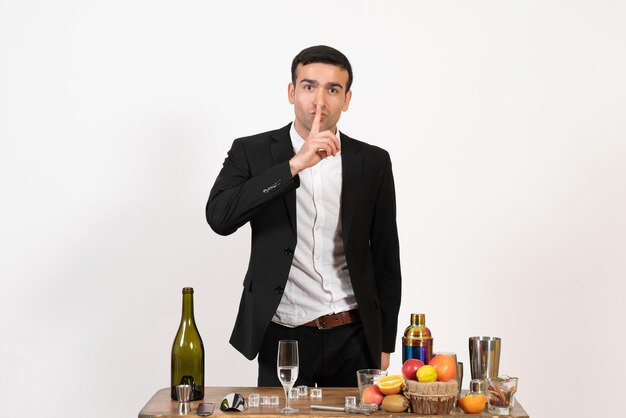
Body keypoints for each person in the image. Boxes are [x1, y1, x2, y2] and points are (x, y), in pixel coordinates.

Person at [206, 45, 401, 387]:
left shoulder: (372, 161)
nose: (320, 100)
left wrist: (384, 342)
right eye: (309, 87)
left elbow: (386, 256)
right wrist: (293, 165)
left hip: (353, 335)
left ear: (347, 98)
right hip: (284, 337)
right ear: (292, 92)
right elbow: (220, 217)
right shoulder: (251, 152)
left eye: (333, 89)